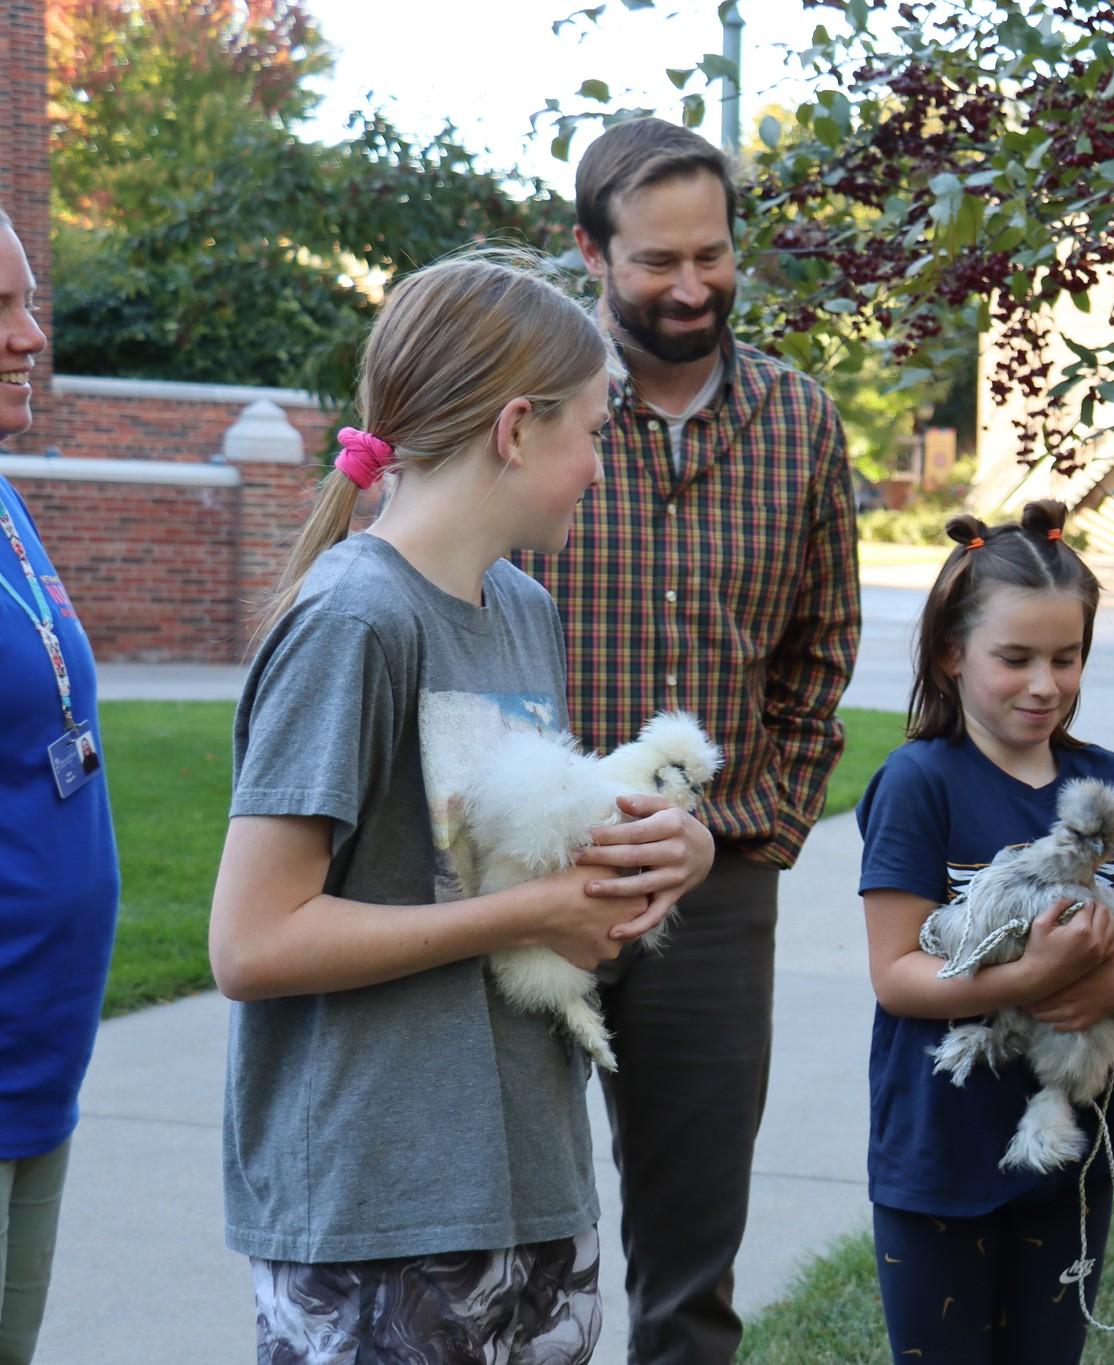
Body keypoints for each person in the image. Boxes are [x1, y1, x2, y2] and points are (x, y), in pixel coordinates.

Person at [208, 249, 713, 1360]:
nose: (598, 466)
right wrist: (526, 918)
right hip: (376, 1206)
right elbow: (251, 942)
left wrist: (668, 851)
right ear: (516, 427)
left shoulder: (523, 611)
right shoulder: (355, 622)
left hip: (526, 1182)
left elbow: (501, 861)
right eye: (590, 431)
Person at [513, 117, 860, 1363]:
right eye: (656, 261)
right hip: (521, 880)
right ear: (590, 253)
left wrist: (750, 835)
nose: (691, 285)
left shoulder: (801, 421)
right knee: (502, 1240)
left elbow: (823, 654)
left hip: (709, 894)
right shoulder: (528, 413)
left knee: (690, 1255)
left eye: (710, 255)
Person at [854, 500, 1114, 1361]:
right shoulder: (917, 783)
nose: (1045, 683)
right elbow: (896, 972)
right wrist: (1032, 978)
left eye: (1066, 656)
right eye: (1015, 658)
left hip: (1070, 1153)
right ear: (950, 652)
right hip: (936, 1150)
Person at [0, 208, 116, 1365]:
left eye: (27, 302)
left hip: (37, 1059)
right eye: (0, 307)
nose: (30, 336)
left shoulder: (3, 496)